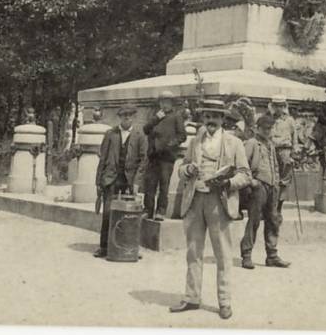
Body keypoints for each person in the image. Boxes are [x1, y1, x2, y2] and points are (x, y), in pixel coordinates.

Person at [170, 99, 251, 320]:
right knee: (193, 251)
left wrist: (227, 183)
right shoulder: (196, 141)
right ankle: (192, 297)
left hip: (219, 202)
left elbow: (245, 174)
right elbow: (181, 167)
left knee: (223, 254)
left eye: (215, 116)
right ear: (203, 119)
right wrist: (188, 169)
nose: (211, 121)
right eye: (207, 116)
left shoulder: (234, 142)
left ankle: (224, 302)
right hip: (195, 200)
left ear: (223, 119)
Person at [92, 104, 148, 258]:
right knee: (108, 213)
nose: (127, 118)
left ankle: (131, 247)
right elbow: (102, 158)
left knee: (131, 214)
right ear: (120, 117)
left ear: (133, 117)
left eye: (129, 116)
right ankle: (104, 247)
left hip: (129, 181)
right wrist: (99, 181)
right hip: (111, 179)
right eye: (124, 116)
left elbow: (143, 161)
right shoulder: (111, 134)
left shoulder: (139, 135)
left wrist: (137, 182)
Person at [240, 114, 291, 269]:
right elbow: (242, 164)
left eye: (270, 128)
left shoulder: (270, 144)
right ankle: (247, 255)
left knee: (273, 220)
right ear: (258, 128)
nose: (268, 131)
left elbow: (274, 165)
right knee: (254, 220)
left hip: (273, 186)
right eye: (266, 128)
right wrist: (251, 181)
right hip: (258, 186)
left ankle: (272, 255)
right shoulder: (251, 143)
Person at [143, 90, 186, 221]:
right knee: (150, 184)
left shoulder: (176, 116)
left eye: (167, 102)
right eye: (162, 102)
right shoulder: (155, 115)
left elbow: (182, 135)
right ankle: (148, 210)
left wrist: (170, 144)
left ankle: (160, 211)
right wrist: (156, 118)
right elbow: (145, 129)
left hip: (167, 156)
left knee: (164, 184)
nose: (164, 104)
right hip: (153, 155)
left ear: (171, 104)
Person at [265, 95, 298, 208]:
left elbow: (295, 138)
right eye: (276, 106)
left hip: (285, 151)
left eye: (281, 106)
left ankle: (279, 206)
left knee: (284, 181)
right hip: (271, 151)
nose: (279, 108)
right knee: (272, 178)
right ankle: (270, 205)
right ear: (272, 106)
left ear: (284, 106)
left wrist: (294, 153)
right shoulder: (268, 119)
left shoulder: (289, 120)